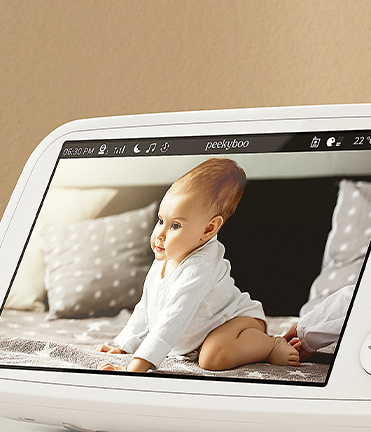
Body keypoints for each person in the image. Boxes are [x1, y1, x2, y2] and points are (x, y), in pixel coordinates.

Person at [97, 158, 299, 373]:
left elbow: (173, 318)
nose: (160, 234)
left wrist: (135, 367)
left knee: (212, 359)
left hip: (236, 322)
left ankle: (270, 345)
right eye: (160, 220)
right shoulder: (166, 256)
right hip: (201, 336)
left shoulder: (199, 267)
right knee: (206, 351)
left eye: (175, 225)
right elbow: (146, 307)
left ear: (208, 229)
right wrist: (125, 345)